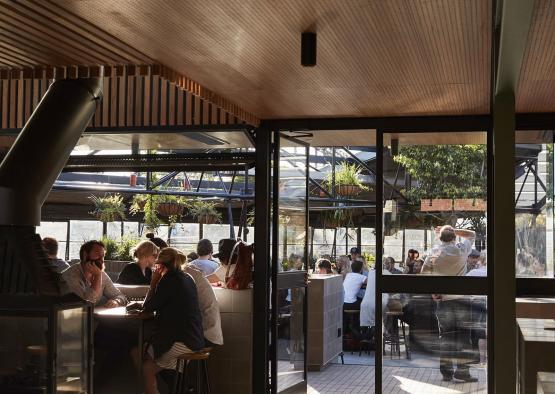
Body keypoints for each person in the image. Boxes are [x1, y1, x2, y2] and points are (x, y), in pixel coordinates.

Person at [138, 247, 204, 394]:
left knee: (147, 368)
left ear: (160, 265)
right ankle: (183, 387)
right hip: (194, 337)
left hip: (182, 341)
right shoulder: (186, 278)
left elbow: (148, 307)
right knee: (148, 352)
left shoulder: (169, 281)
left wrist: (154, 282)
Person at [424, 225, 477, 383]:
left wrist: (434, 291)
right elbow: (472, 234)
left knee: (446, 337)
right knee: (464, 337)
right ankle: (463, 372)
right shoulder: (461, 249)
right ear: (454, 238)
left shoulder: (434, 252)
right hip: (462, 300)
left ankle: (447, 373)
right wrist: (454, 229)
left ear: (440, 238)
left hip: (444, 300)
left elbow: (424, 272)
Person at [62, 240, 127, 307]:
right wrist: (97, 276)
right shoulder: (71, 276)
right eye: (98, 254)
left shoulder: (101, 274)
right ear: (85, 255)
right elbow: (85, 306)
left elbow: (120, 296)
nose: (102, 260)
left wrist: (116, 301)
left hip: (94, 316)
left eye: (103, 256)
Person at [182, 259, 224, 347]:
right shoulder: (192, 271)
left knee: (163, 347)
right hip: (212, 333)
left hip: (205, 334)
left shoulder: (185, 276)